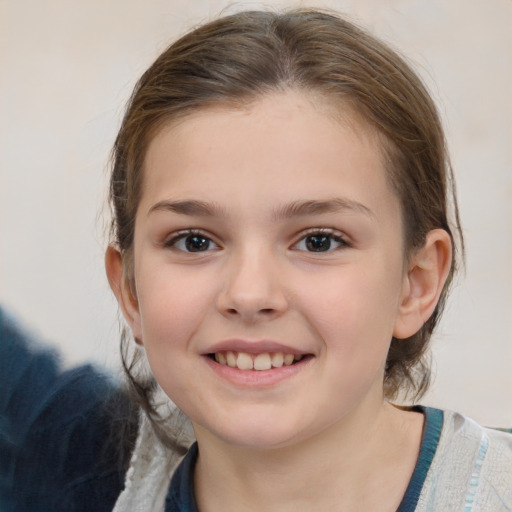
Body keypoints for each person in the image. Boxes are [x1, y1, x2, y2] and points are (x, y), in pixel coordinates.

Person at [1, 8, 511, 512]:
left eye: (318, 241)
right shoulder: (73, 469)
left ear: (415, 283)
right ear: (130, 289)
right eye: (194, 241)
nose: (249, 294)